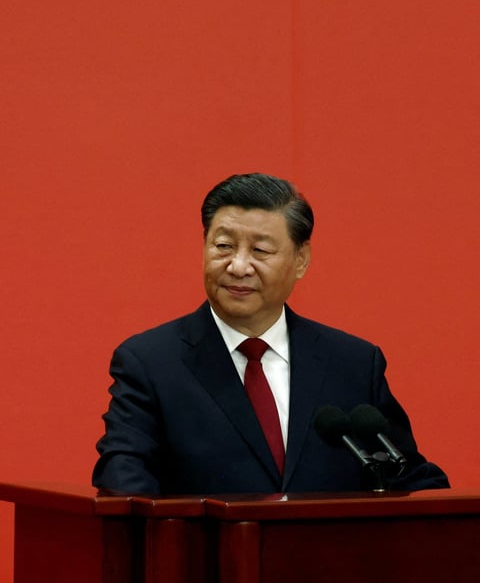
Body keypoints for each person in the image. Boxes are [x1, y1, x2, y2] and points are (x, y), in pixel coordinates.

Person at [92, 173, 449, 495]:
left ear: (301, 260)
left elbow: (406, 476)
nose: (238, 265)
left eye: (260, 250)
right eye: (223, 246)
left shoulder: (353, 363)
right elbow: (124, 478)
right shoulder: (151, 362)